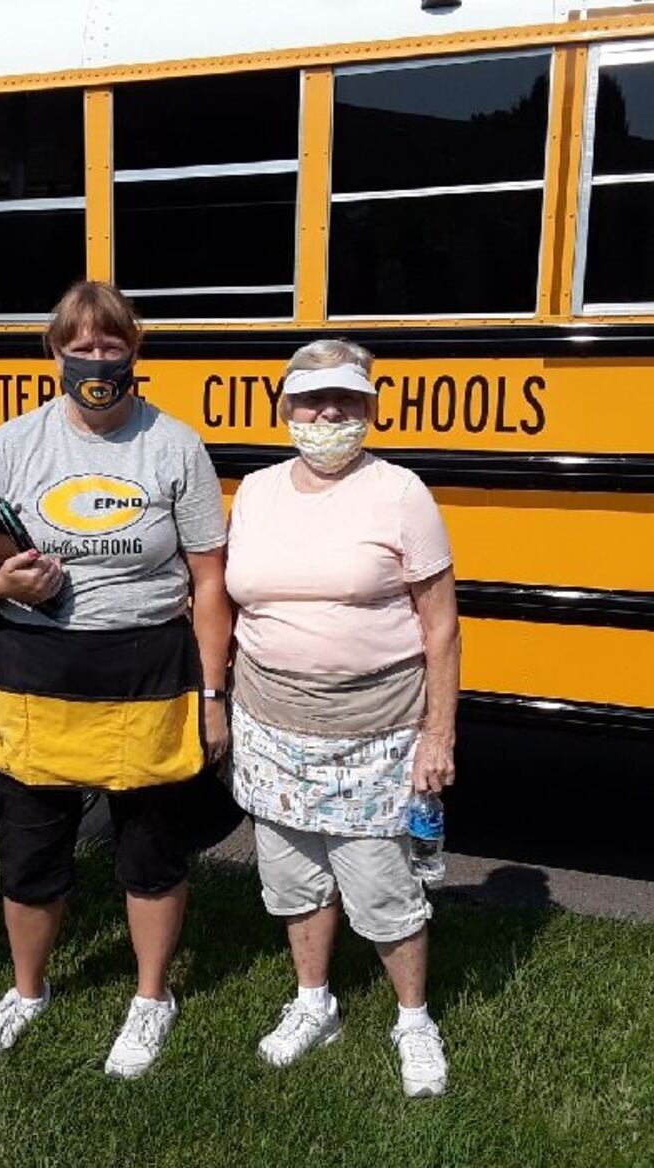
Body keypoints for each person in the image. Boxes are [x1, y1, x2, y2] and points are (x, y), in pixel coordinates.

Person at [0, 281, 230, 1080]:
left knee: (151, 853)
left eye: (111, 345)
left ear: (135, 353)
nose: (95, 359)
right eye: (81, 345)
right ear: (54, 353)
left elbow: (210, 580)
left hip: (148, 671)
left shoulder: (174, 445)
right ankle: (26, 992)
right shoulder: (13, 444)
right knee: (29, 856)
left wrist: (213, 697)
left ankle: (150, 999)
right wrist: (4, 586)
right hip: (33, 670)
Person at [225, 338, 460, 1097]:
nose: (329, 413)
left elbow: (442, 626)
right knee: (291, 877)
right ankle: (313, 1002)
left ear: (368, 409)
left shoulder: (399, 492)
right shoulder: (256, 491)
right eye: (312, 400)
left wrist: (439, 733)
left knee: (381, 885)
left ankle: (414, 1018)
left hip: (376, 727)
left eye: (347, 400)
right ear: (285, 409)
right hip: (270, 719)